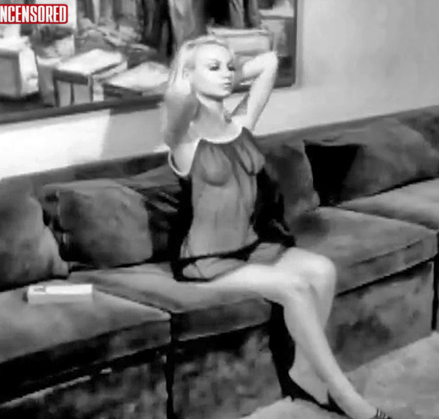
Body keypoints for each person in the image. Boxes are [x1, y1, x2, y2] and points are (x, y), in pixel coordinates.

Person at [161, 35, 393, 419]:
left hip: (250, 245)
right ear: (188, 76)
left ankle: (303, 371)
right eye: (213, 68)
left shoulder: (240, 125)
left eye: (229, 66)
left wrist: (223, 69)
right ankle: (346, 396)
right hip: (206, 258)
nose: (226, 74)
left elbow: (269, 62)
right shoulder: (184, 140)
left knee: (323, 270)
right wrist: (190, 77)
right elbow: (175, 107)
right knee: (295, 288)